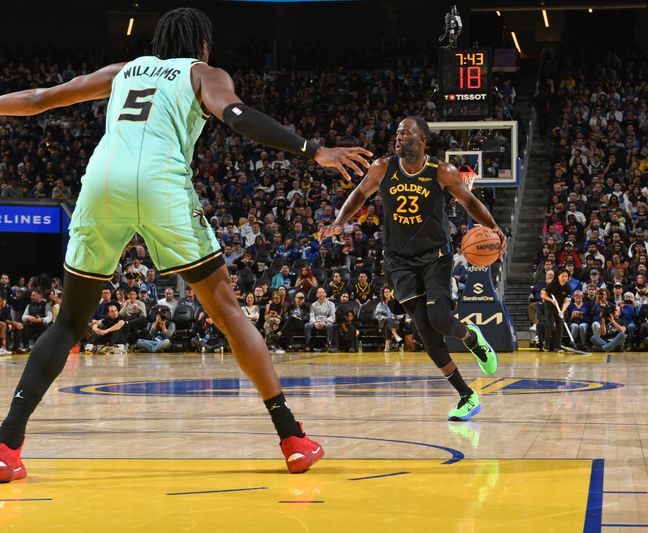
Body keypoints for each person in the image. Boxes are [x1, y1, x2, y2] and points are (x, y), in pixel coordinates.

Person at [0, 7, 372, 480]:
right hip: (160, 186)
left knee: (70, 320)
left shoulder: (122, 72)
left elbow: (37, 99)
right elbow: (237, 117)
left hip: (101, 183)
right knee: (227, 311)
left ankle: (6, 445)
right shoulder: (202, 73)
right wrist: (312, 150)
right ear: (201, 44)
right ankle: (292, 438)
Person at [322, 116, 503, 421]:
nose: (399, 137)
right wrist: (339, 223)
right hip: (398, 261)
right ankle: (466, 395)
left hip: (435, 257)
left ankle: (471, 337)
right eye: (397, 132)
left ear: (421, 140)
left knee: (441, 321)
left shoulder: (441, 171)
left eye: (406, 133)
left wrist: (494, 228)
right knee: (425, 332)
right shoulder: (382, 167)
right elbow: (360, 194)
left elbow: (469, 202)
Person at [542, 270, 572, 353]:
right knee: (551, 326)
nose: (564, 278)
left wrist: (562, 311)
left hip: (560, 308)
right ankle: (546, 343)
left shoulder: (568, 288)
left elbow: (566, 301)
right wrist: (551, 300)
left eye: (566, 276)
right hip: (550, 307)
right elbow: (543, 295)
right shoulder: (552, 285)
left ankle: (557, 347)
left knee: (560, 327)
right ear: (558, 276)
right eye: (562, 276)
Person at [375, 287, 403, 351]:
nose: (387, 293)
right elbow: (377, 315)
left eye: (388, 292)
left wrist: (396, 317)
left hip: (395, 322)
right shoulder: (380, 304)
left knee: (388, 325)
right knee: (388, 320)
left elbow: (401, 313)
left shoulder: (395, 303)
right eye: (385, 292)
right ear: (383, 294)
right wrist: (386, 318)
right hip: (383, 322)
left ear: (390, 293)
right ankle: (395, 334)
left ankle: (387, 346)